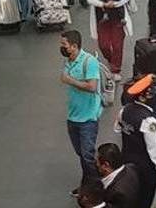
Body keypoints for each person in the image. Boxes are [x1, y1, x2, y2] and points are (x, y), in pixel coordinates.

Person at [116, 74, 156, 207]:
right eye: (150, 94)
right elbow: (154, 148)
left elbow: (117, 128)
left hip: (127, 162)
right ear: (141, 97)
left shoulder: (124, 111)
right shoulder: (150, 121)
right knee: (144, 200)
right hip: (146, 168)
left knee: (131, 196)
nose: (154, 96)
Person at [60, 29, 102, 194]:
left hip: (88, 118)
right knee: (82, 154)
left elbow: (92, 87)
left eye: (64, 44)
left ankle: (96, 188)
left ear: (74, 46)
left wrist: (70, 80)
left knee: (87, 155)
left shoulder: (89, 62)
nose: (61, 47)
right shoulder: (69, 61)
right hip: (73, 116)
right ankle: (87, 184)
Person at [88, 0, 136, 80]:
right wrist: (104, 5)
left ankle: (115, 69)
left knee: (117, 45)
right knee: (103, 45)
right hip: (102, 19)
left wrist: (114, 4)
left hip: (118, 19)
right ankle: (111, 60)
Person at [96, 143, 142, 208]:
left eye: (97, 161)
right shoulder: (131, 168)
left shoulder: (117, 193)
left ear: (106, 165)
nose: (96, 163)